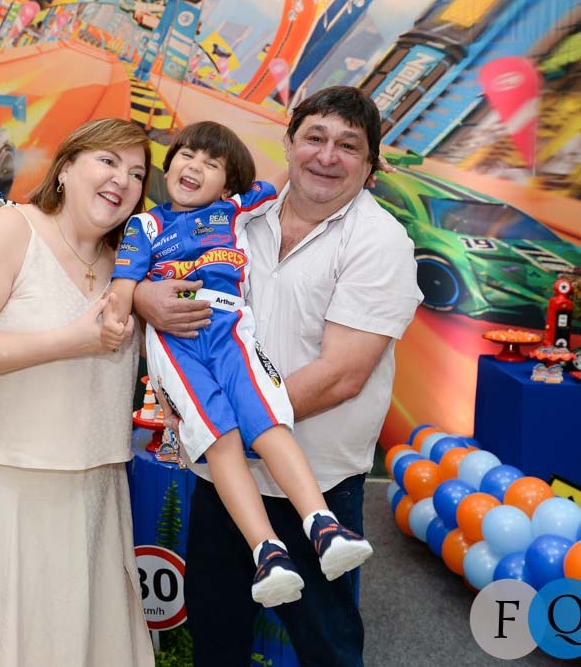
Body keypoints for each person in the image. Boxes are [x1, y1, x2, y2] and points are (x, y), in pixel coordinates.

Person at [134, 87, 423, 666]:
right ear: (288, 143)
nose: (327, 156)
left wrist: (221, 422)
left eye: (348, 145)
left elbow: (341, 376)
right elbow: (171, 276)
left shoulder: (380, 241)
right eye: (315, 137)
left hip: (313, 480)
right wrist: (144, 296)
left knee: (325, 645)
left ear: (370, 165)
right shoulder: (238, 215)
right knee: (217, 635)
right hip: (225, 481)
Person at [0, 118, 155, 666]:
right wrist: (68, 341)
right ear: (66, 168)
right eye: (108, 161)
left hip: (95, 489)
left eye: (137, 173)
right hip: (6, 489)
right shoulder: (12, 230)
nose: (122, 180)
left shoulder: (127, 266)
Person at [111, 121, 373, 609]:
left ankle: (324, 526)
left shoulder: (234, 209)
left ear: (228, 186)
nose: (194, 166)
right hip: (176, 342)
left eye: (211, 164)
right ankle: (266, 552)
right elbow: (123, 285)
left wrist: (345, 160)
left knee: (267, 420)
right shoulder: (145, 225)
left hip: (231, 332)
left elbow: (282, 175)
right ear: (169, 165)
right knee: (220, 440)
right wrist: (119, 316)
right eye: (187, 155)